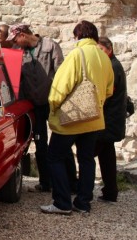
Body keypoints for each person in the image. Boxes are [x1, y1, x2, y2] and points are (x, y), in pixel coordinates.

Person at [41, 20, 114, 215]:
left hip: (71, 119)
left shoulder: (76, 54)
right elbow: (109, 90)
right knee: (87, 160)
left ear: (78, 36)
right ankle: (83, 203)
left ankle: (62, 202)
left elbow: (59, 88)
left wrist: (53, 107)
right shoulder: (104, 57)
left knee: (54, 157)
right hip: (94, 118)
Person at [8, 23, 78, 192]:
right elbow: (19, 80)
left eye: (16, 38)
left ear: (23, 35)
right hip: (34, 105)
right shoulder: (19, 52)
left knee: (63, 142)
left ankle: (72, 183)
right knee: (40, 143)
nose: (14, 42)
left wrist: (58, 96)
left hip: (53, 103)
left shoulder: (50, 46)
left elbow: (61, 72)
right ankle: (45, 182)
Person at [95, 36, 127, 203]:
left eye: (101, 50)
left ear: (109, 49)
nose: (99, 53)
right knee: (106, 156)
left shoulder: (112, 67)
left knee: (91, 153)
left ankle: (106, 191)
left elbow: (108, 95)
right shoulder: (112, 65)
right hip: (110, 120)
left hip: (108, 120)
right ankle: (110, 191)